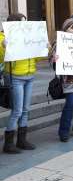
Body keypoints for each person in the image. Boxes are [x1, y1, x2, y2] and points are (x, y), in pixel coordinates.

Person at [1, 13, 41, 153]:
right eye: (22, 22)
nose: (25, 25)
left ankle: (22, 140)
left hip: (30, 75)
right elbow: (1, 58)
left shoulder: (28, 37)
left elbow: (36, 58)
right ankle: (8, 143)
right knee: (17, 110)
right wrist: (3, 46)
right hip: (15, 77)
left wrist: (43, 48)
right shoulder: (2, 37)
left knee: (25, 109)